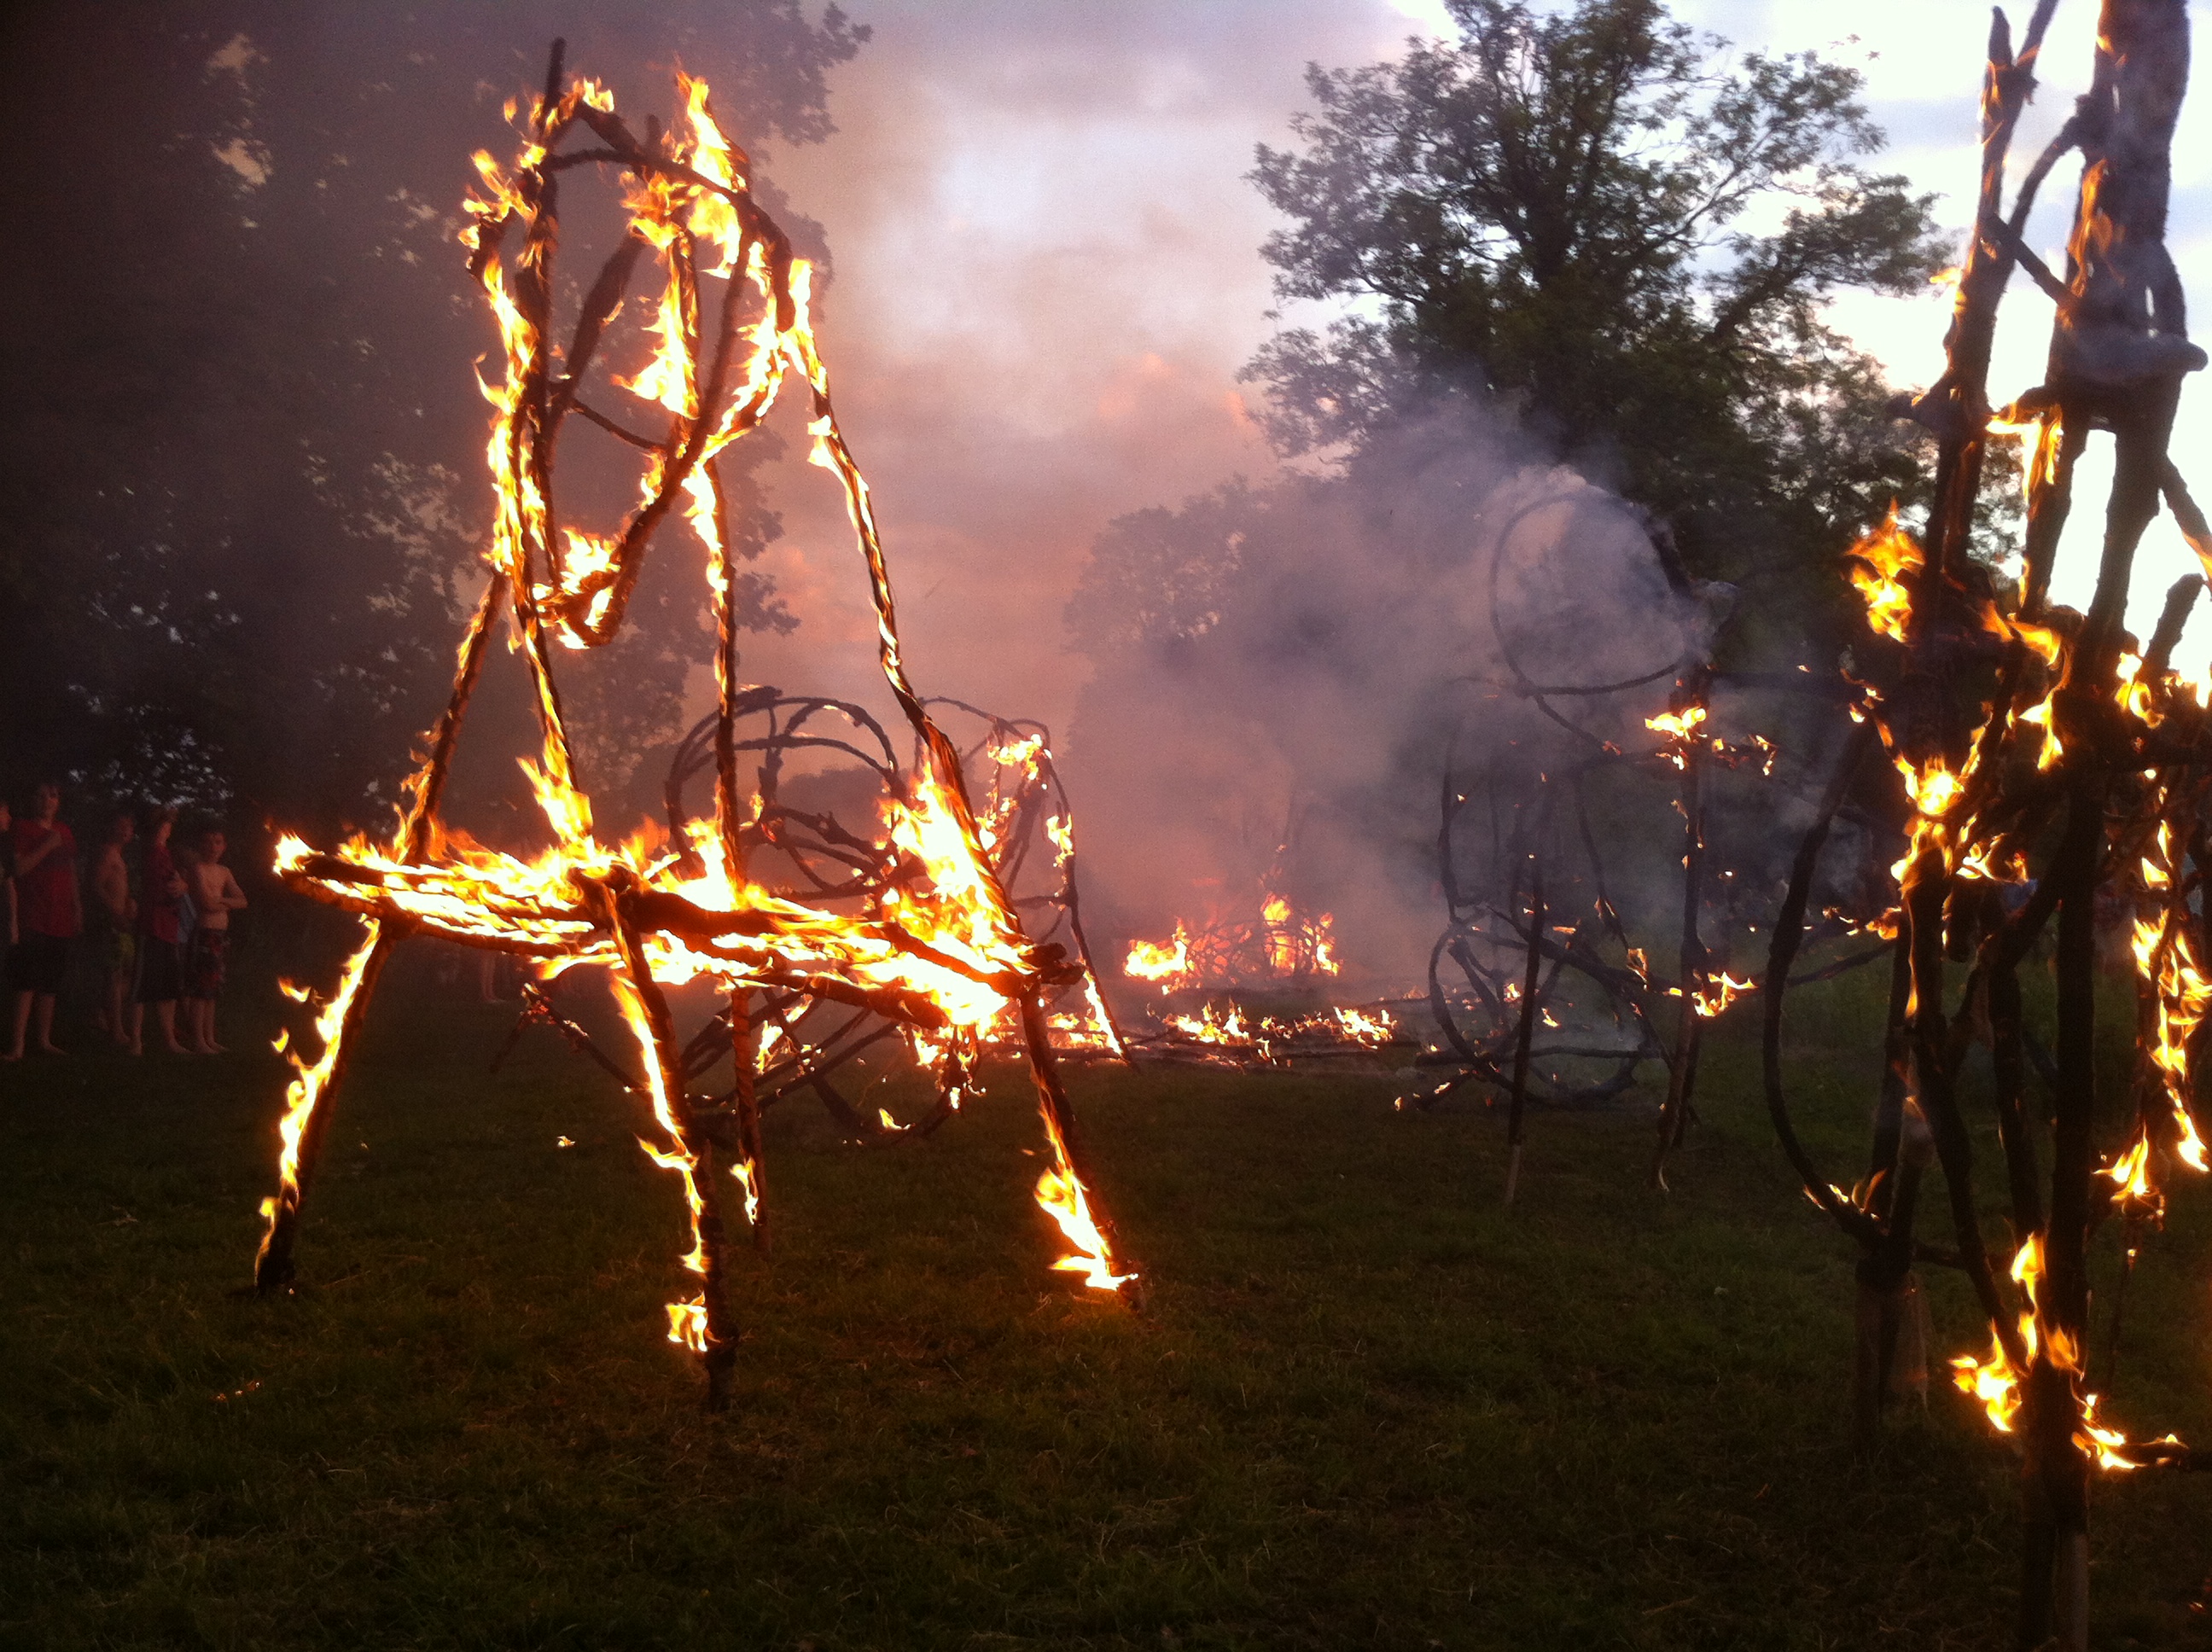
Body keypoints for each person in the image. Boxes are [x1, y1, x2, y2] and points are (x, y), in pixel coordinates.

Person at [5, 781, 80, 1060]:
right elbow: (19, 868)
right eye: (42, 795)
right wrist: (47, 845)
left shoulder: (65, 831)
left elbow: (71, 869)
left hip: (60, 917)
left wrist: (77, 904)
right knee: (27, 981)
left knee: (50, 982)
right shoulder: (22, 828)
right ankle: (17, 1045)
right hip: (33, 915)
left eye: (53, 795)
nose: (48, 800)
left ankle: (44, 1040)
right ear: (33, 800)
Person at [131, 806, 190, 1056]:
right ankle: (135, 1040)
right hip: (152, 926)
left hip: (168, 927)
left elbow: (177, 884)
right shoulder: (149, 854)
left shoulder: (166, 854)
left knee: (168, 986)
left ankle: (169, 1040)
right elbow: (160, 886)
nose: (164, 830)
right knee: (143, 985)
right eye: (161, 826)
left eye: (166, 826)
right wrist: (178, 886)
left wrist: (183, 885)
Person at [181, 825, 246, 1055]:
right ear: (201, 845)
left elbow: (242, 900)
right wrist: (225, 903)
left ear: (224, 846)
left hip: (220, 935)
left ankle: (210, 1037)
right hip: (205, 933)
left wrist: (221, 901)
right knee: (201, 989)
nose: (213, 847)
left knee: (213, 989)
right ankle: (198, 1039)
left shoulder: (224, 872)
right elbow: (206, 904)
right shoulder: (197, 869)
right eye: (208, 842)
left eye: (217, 842)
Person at [89, 810, 137, 1047]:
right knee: (115, 974)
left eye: (129, 826)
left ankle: (101, 1013)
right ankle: (116, 1030)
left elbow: (117, 886)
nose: (126, 830)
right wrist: (114, 912)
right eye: (121, 825)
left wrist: (128, 903)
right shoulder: (107, 852)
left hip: (121, 922)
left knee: (126, 973)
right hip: (110, 922)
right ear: (111, 827)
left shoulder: (119, 855)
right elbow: (96, 885)